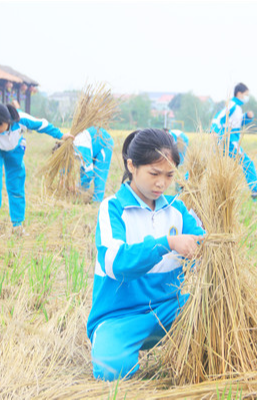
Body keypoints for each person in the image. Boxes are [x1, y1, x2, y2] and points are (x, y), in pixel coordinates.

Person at [88, 128, 204, 381]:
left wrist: (207, 247)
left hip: (168, 311)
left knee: (210, 312)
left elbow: (204, 245)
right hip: (119, 317)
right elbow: (115, 262)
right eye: (154, 173)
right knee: (112, 372)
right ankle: (110, 346)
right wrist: (168, 243)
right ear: (132, 166)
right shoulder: (113, 208)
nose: (161, 183)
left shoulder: (178, 209)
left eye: (169, 175)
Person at [0, 103, 73, 232]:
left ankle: (17, 225)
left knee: (16, 185)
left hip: (15, 149)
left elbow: (41, 125)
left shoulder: (20, 119)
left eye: (0, 127)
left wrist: (60, 135)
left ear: (7, 120)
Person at [210, 83, 257, 201]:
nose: (247, 97)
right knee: (247, 163)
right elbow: (218, 118)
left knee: (208, 163)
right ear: (239, 94)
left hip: (226, 141)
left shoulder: (237, 108)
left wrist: (247, 117)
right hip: (229, 141)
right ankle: (255, 191)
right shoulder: (232, 105)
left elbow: (237, 123)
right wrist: (214, 131)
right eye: (246, 95)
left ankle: (185, 181)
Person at [73, 126, 114, 203]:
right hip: (93, 145)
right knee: (82, 170)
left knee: (99, 175)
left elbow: (89, 172)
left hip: (105, 143)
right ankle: (82, 195)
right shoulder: (69, 150)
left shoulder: (80, 147)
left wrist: (80, 188)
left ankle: (97, 202)